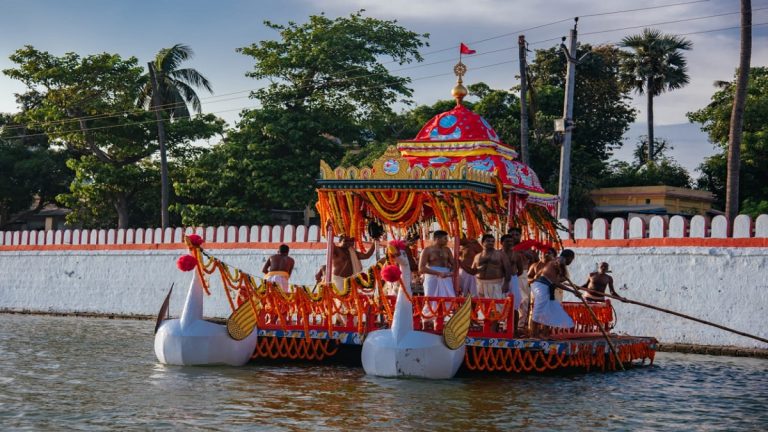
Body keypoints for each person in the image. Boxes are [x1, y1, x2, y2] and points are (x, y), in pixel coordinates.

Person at [530, 249, 576, 338]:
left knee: (547, 310)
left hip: (546, 286)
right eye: (572, 259)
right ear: (569, 258)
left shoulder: (558, 261)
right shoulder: (559, 261)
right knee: (539, 310)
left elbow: (559, 279)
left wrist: (573, 288)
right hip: (541, 286)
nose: (571, 262)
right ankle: (533, 335)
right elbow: (556, 283)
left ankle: (544, 334)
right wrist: (573, 291)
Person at [419, 230, 456, 320]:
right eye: (445, 239)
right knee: (430, 300)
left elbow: (453, 263)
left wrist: (452, 271)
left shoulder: (447, 250)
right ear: (437, 239)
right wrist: (438, 273)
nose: (447, 241)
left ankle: (441, 321)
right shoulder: (427, 250)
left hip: (446, 277)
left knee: (448, 299)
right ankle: (426, 322)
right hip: (432, 277)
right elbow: (421, 268)